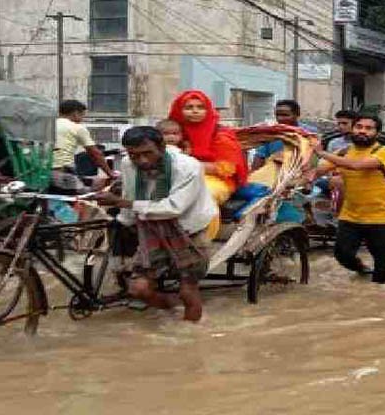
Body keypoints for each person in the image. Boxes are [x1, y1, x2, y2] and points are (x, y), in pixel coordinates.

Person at [94, 126, 218, 322]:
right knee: (138, 289)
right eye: (135, 155)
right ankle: (171, 309)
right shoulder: (128, 164)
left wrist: (123, 204)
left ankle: (190, 335)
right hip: (150, 227)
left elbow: (174, 207)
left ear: (162, 147)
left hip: (188, 229)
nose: (142, 161)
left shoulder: (187, 166)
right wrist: (123, 220)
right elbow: (130, 192)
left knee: (188, 289)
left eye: (147, 153)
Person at [313, 115, 385, 284]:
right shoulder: (344, 152)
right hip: (350, 216)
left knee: (382, 262)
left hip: (382, 218)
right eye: (359, 126)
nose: (362, 131)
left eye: (368, 128)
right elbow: (318, 171)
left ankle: (379, 298)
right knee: (342, 254)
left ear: (377, 133)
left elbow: (356, 166)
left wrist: (322, 152)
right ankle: (362, 269)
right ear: (353, 129)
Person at [168, 90, 248, 212]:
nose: (195, 111)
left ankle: (207, 231)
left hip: (216, 180)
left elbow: (228, 168)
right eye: (189, 107)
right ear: (178, 110)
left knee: (201, 198)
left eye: (200, 107)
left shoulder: (221, 134)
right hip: (177, 178)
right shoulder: (171, 132)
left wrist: (188, 164)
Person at [52, 100, 115, 193]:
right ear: (76, 113)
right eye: (82, 115)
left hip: (42, 172)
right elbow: (95, 153)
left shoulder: (48, 125)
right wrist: (110, 174)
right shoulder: (76, 127)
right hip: (63, 172)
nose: (82, 119)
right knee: (86, 197)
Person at [251, 99, 319, 171]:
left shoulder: (309, 133)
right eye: (277, 115)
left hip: (302, 173)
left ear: (297, 115)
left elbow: (315, 158)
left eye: (285, 115)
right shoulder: (269, 133)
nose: (280, 118)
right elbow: (259, 157)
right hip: (274, 172)